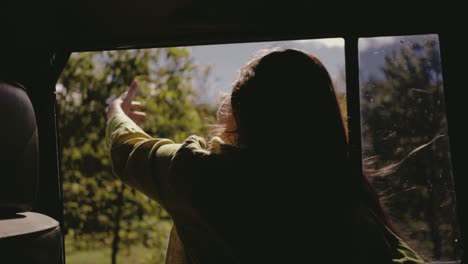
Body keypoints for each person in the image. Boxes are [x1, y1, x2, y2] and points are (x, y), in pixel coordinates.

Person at [106, 49, 425, 263]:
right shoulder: (344, 202)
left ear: (241, 113)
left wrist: (116, 111)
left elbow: (127, 149)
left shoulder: (198, 174)